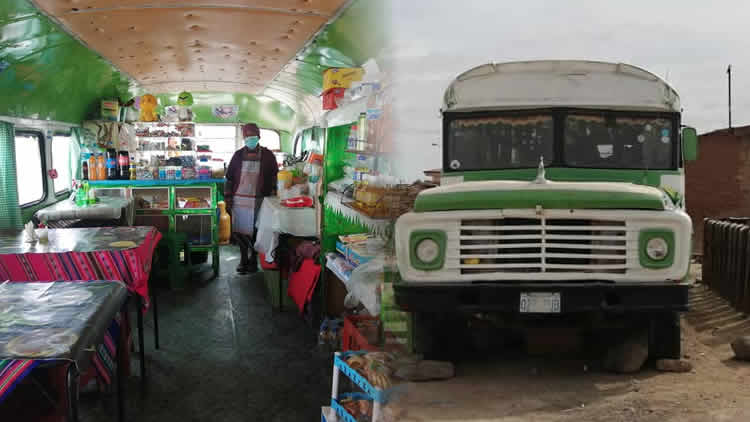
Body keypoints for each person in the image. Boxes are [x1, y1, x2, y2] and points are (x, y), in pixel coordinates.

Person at [225, 123, 278, 274]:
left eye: (253, 137)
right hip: (239, 200)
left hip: (261, 200)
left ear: (259, 137)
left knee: (256, 231)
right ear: (244, 138)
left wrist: (274, 194)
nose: (250, 139)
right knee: (240, 231)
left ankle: (254, 259)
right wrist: (228, 198)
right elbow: (229, 178)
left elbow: (275, 176)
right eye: (247, 137)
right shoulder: (237, 155)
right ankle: (243, 259)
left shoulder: (268, 155)